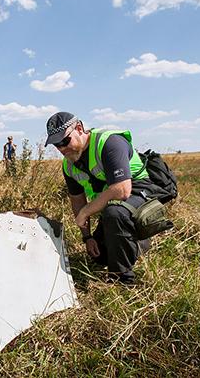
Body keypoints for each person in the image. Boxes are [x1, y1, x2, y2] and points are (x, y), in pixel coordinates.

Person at [45, 112, 160, 284]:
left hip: (139, 192)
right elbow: (77, 201)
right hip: (112, 204)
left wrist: (85, 212)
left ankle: (122, 279)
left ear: (79, 128)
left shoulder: (109, 143)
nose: (62, 149)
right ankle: (137, 242)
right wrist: (87, 237)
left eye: (64, 141)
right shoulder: (69, 165)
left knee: (115, 213)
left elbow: (122, 190)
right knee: (100, 256)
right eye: (57, 145)